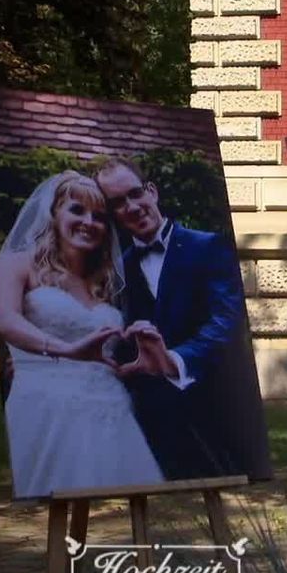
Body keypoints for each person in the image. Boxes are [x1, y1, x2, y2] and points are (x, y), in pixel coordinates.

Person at [95, 158, 269, 481]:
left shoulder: (209, 247)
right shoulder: (117, 270)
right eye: (118, 203)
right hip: (153, 430)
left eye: (135, 194)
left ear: (152, 191)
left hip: (214, 417)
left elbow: (225, 323)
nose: (131, 207)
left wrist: (173, 360)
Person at [0, 171, 163, 498]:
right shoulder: (17, 262)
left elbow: (114, 349)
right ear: (54, 213)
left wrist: (141, 357)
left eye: (99, 217)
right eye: (77, 210)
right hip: (46, 404)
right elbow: (6, 320)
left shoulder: (106, 282)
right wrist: (65, 351)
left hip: (110, 409)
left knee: (128, 503)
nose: (89, 222)